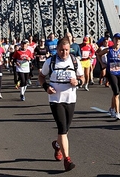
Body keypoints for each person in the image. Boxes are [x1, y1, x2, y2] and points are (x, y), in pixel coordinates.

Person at [38, 37, 84, 172]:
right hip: (55, 100)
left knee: (66, 130)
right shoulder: (50, 61)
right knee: (62, 129)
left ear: (70, 50)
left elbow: (82, 77)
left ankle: (58, 145)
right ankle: (67, 160)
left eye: (66, 50)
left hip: (70, 99)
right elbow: (41, 76)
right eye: (61, 50)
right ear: (57, 50)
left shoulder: (75, 61)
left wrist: (78, 83)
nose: (64, 53)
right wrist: (46, 86)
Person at [97, 33, 120, 120]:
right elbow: (98, 54)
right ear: (113, 40)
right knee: (116, 92)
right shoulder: (109, 50)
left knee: (117, 93)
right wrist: (102, 64)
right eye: (116, 39)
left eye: (119, 39)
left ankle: (111, 108)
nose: (118, 41)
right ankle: (117, 112)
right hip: (111, 73)